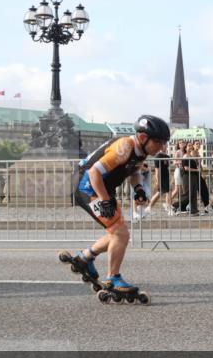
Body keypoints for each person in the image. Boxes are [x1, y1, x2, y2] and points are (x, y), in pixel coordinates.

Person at [59, 114, 170, 304]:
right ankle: (113, 279)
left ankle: (84, 258)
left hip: (100, 188)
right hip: (86, 186)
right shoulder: (124, 146)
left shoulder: (141, 151)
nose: (162, 147)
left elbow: (134, 171)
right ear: (144, 138)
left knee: (116, 231)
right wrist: (104, 200)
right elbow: (94, 172)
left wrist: (138, 188)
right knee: (120, 233)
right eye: (159, 142)